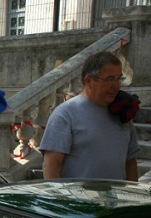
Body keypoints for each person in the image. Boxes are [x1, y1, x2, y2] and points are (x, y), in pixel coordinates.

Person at [40, 51, 140, 181]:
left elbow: (130, 162)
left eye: (119, 79)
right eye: (110, 79)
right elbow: (50, 167)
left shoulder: (123, 112)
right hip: (77, 194)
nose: (116, 86)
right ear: (88, 81)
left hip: (117, 194)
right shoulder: (65, 114)